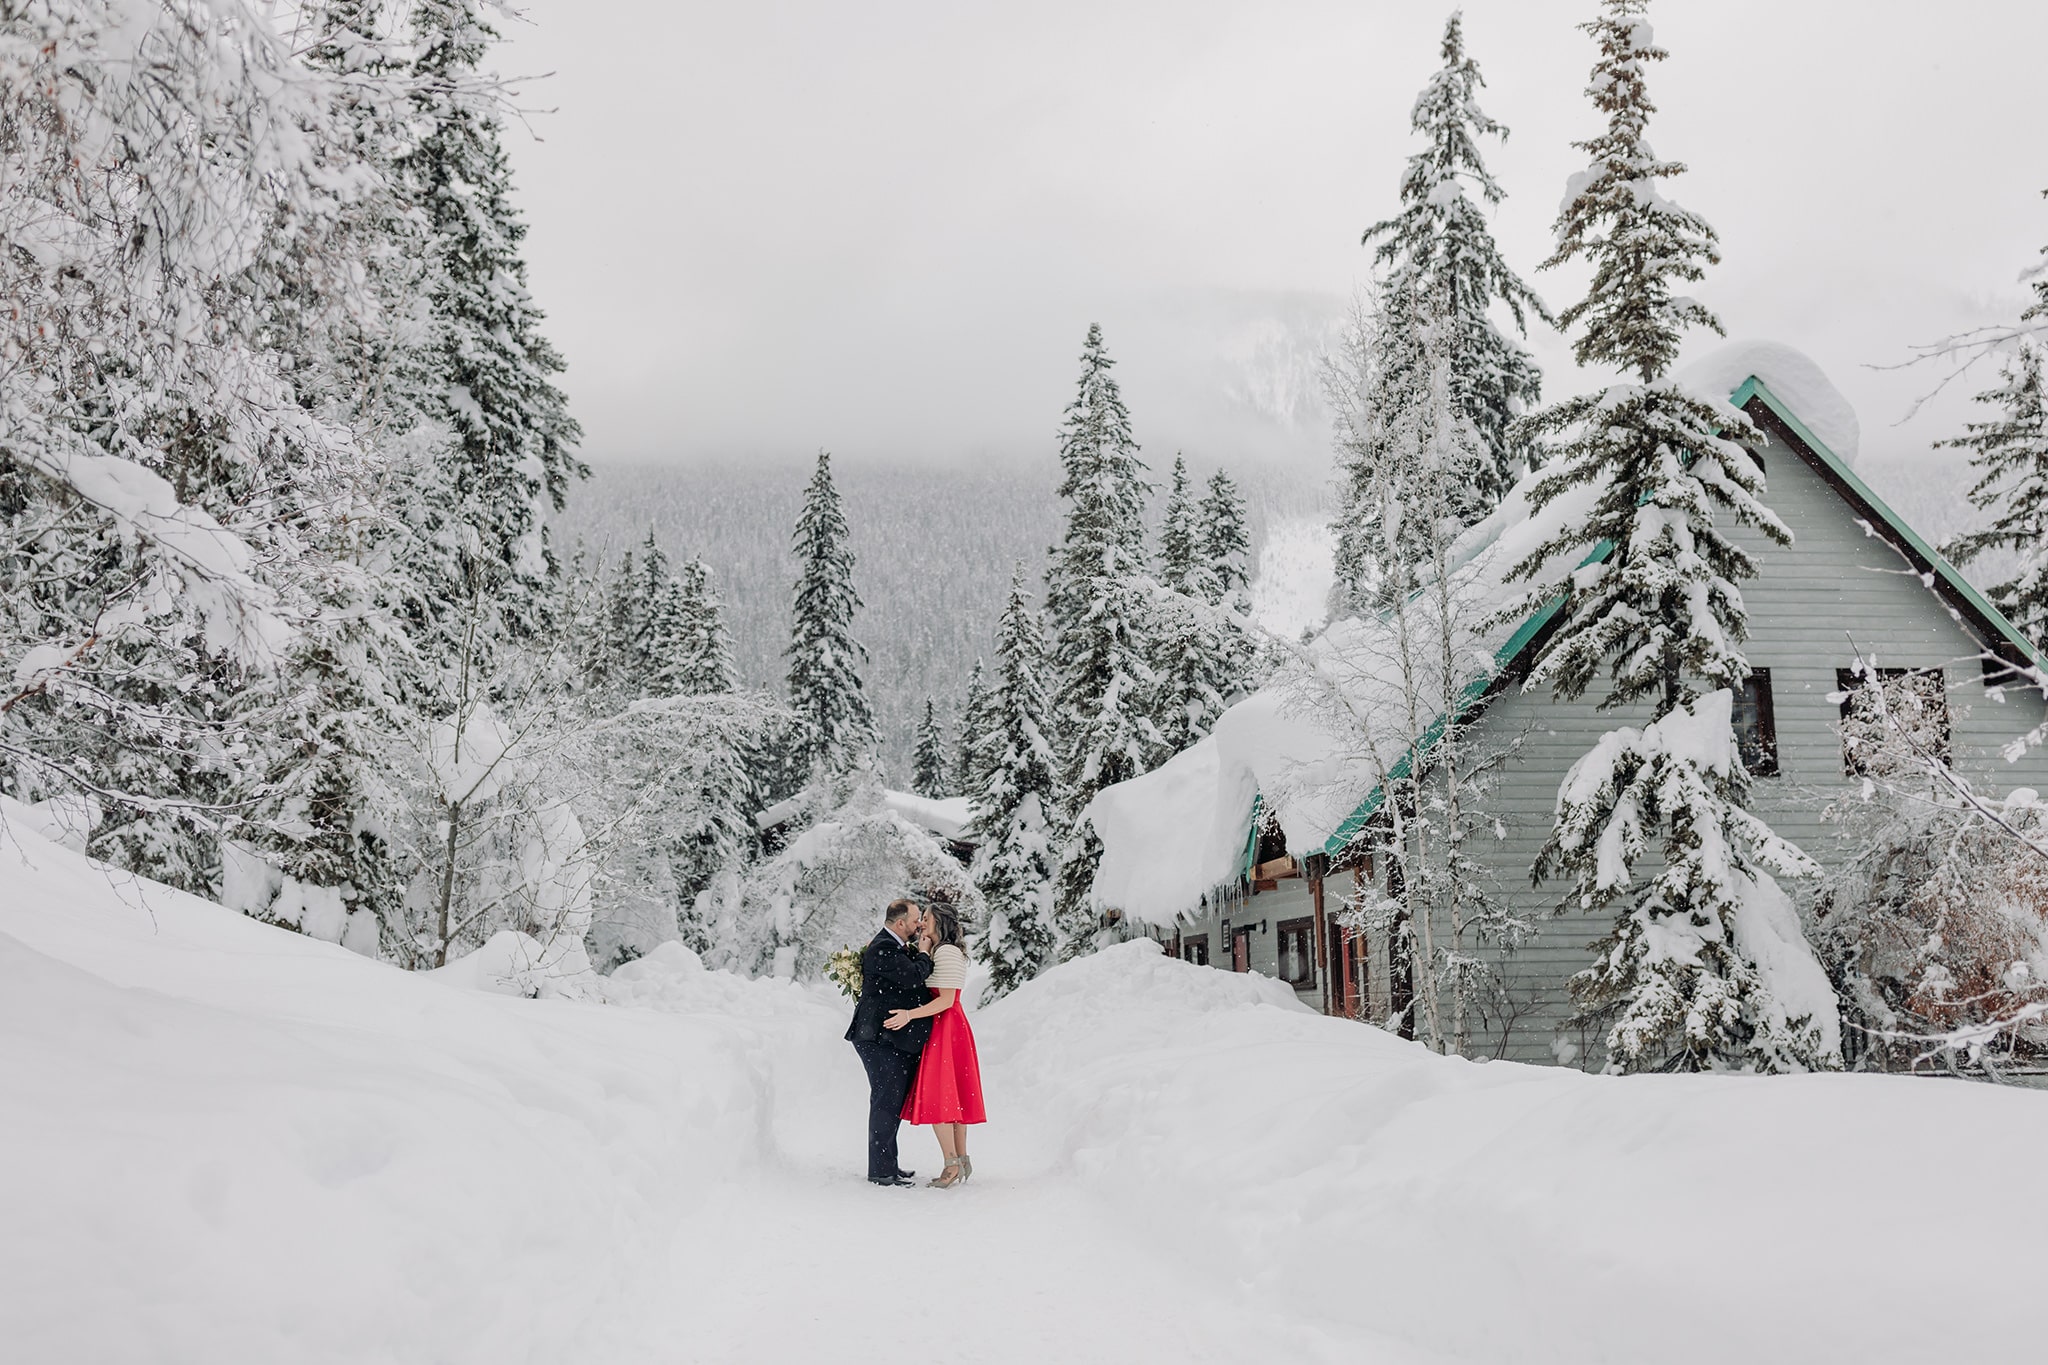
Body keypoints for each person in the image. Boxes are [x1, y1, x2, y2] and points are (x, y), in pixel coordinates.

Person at [885, 901, 986, 1189]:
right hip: (945, 1026)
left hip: (946, 1027)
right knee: (950, 1098)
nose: (921, 924)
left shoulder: (948, 952)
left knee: (940, 1098)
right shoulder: (940, 951)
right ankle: (960, 1160)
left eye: (926, 919)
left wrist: (909, 1015)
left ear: (939, 923)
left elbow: (946, 999)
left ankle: (952, 1163)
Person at [844, 898, 933, 1187]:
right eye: (916, 919)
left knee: (891, 1101)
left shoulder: (891, 945)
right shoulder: (883, 947)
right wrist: (924, 952)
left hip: (887, 1038)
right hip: (878, 1039)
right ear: (900, 923)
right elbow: (912, 976)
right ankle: (881, 1170)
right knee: (885, 1101)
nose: (919, 924)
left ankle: (889, 1164)